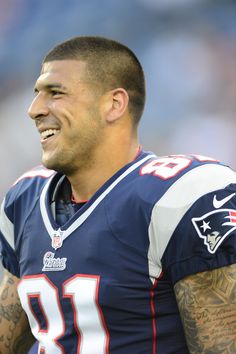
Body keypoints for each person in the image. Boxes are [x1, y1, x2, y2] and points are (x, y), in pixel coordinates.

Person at [0, 36, 235, 354]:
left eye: (55, 93)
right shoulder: (26, 199)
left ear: (114, 104)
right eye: (37, 94)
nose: (34, 110)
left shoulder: (178, 197)